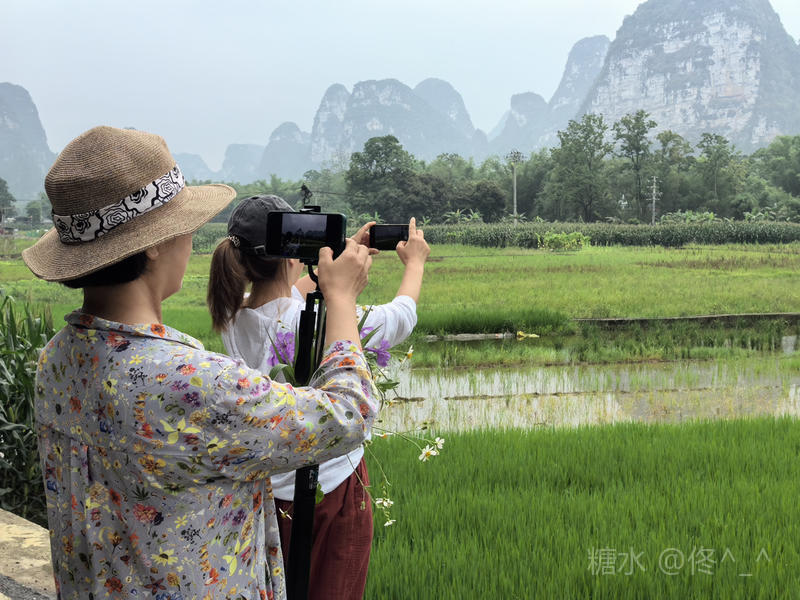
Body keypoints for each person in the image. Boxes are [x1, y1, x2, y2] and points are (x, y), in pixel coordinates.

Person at [21, 126, 378, 600]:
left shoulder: (56, 359)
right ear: (152, 242)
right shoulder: (192, 383)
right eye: (184, 225)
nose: (190, 239)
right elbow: (350, 413)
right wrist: (341, 298)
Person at [207, 195, 430, 599]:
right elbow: (401, 318)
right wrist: (414, 264)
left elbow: (282, 296)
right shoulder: (325, 320)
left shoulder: (232, 316)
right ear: (293, 257)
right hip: (327, 489)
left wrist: (347, 254)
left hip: (268, 488)